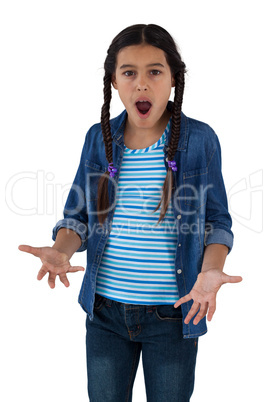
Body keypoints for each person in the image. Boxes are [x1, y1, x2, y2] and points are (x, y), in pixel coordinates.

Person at [19, 24, 242, 402]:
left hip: (174, 315)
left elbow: (216, 220)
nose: (142, 84)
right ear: (113, 82)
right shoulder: (98, 138)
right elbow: (79, 217)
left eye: (155, 71)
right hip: (105, 313)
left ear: (173, 79)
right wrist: (62, 249)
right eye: (129, 73)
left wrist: (209, 270)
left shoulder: (199, 139)